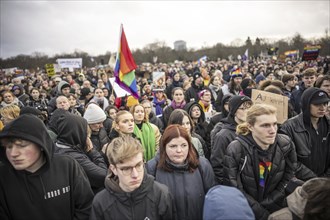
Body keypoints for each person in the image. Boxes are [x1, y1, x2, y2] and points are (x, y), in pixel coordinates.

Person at [0, 114, 94, 220]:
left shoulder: (67, 166)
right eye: (8, 146)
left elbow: (86, 207)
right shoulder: (3, 178)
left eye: (21, 145)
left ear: (40, 144)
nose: (13, 153)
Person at [223, 104, 297, 220]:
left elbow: (289, 175)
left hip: (277, 206)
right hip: (247, 212)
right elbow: (234, 187)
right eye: (265, 125)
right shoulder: (236, 149)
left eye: (274, 124)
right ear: (250, 126)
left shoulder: (285, 144)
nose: (272, 130)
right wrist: (260, 211)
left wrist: (271, 201)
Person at [90, 135, 174, 220]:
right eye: (126, 169)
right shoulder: (101, 203)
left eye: (138, 165)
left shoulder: (161, 194)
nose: (135, 175)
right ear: (114, 169)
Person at [146, 125, 216, 220]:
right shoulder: (152, 168)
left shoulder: (202, 165)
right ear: (164, 147)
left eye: (184, 145)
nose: (179, 150)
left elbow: (212, 200)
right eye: (173, 146)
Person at [280, 87, 330, 181]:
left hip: (325, 182)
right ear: (306, 104)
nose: (322, 107)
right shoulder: (289, 127)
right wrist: (314, 180)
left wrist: (325, 179)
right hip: (302, 183)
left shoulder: (328, 124)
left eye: (325, 103)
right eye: (317, 104)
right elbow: (290, 161)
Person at [54, 112, 108, 193]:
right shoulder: (74, 156)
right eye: (84, 131)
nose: (87, 135)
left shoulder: (58, 146)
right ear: (76, 132)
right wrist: (92, 151)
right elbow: (103, 176)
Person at [211, 95, 253, 184]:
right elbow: (218, 166)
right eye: (243, 108)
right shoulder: (223, 135)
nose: (247, 111)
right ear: (234, 111)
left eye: (250, 108)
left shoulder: (254, 130)